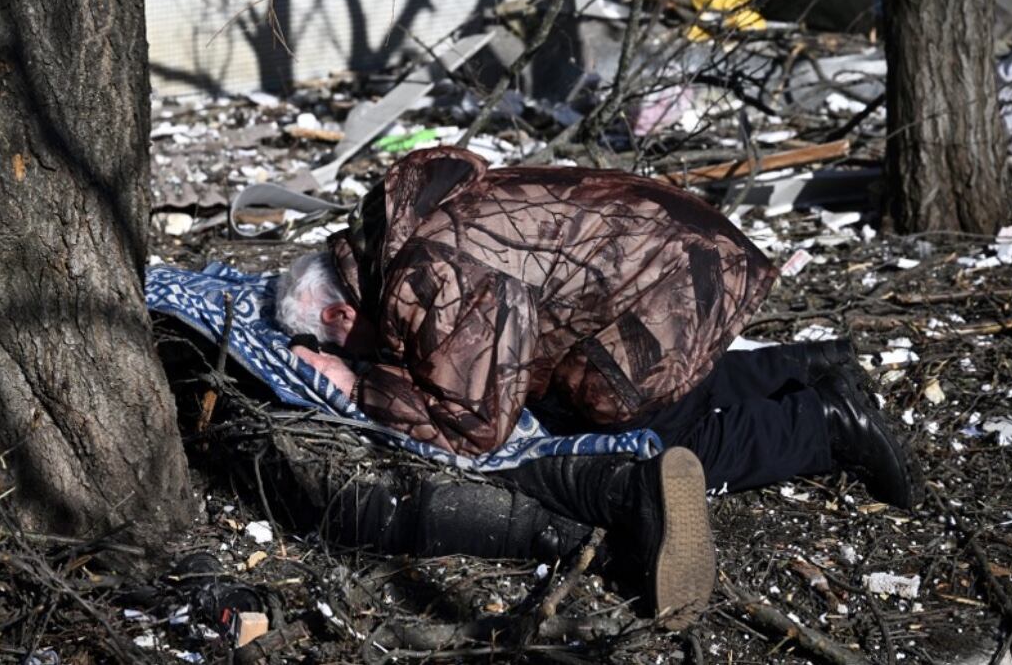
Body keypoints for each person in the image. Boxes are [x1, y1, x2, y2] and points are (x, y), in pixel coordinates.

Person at [276, 146, 922, 626]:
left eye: (342, 344)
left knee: (653, 435)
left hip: (674, 283)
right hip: (683, 255)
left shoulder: (423, 277)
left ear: (339, 315)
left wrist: (361, 388)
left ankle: (822, 426)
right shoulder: (402, 229)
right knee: (626, 389)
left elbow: (476, 426)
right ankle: (808, 368)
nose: (355, 352)